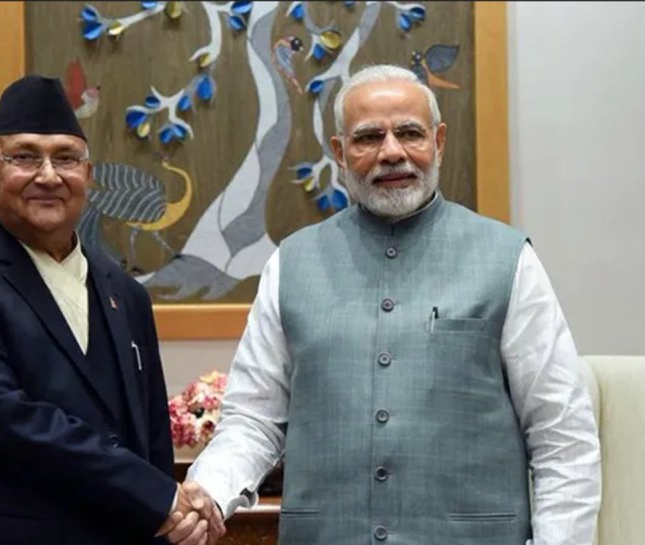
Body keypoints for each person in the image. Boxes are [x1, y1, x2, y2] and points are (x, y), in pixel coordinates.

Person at [186, 64, 601, 545]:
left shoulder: (509, 260)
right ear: (340, 153)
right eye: (368, 138)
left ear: (439, 141)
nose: (392, 152)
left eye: (409, 133)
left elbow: (562, 436)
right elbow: (254, 418)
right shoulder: (291, 263)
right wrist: (210, 491)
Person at [0, 75, 223, 545]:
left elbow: (150, 437)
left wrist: (171, 520)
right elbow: (13, 423)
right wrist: (159, 499)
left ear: (88, 178)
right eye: (25, 156)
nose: (49, 175)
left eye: (67, 158)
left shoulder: (126, 294)